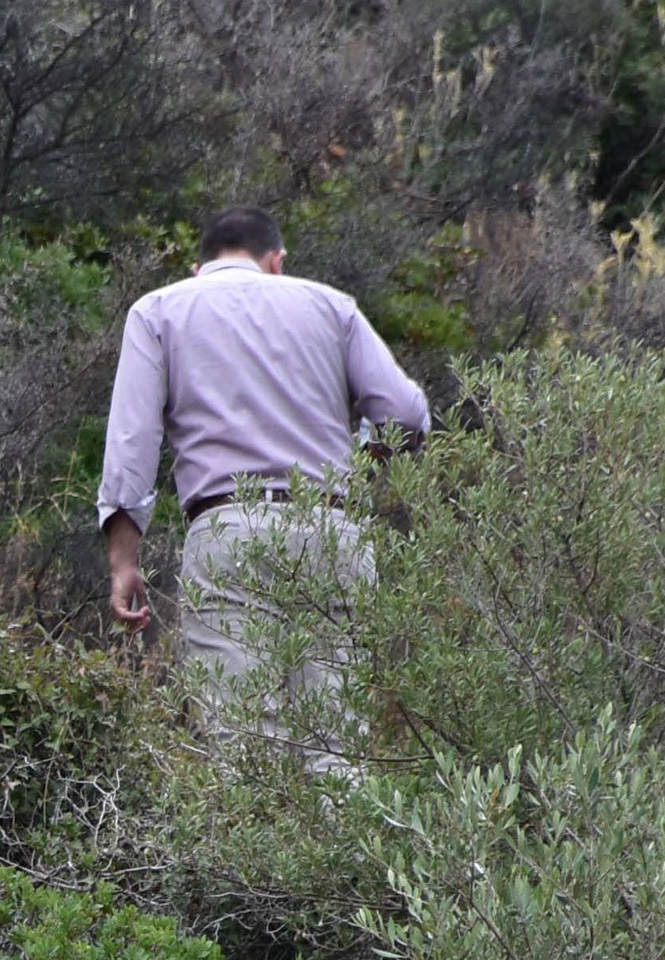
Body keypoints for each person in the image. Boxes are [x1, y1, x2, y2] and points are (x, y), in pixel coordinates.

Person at [98, 206, 431, 751]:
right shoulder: (331, 306)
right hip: (332, 528)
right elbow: (406, 413)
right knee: (336, 748)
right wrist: (362, 454)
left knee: (247, 747)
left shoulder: (158, 310)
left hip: (228, 533)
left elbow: (131, 445)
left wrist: (124, 561)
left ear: (198, 267)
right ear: (276, 261)